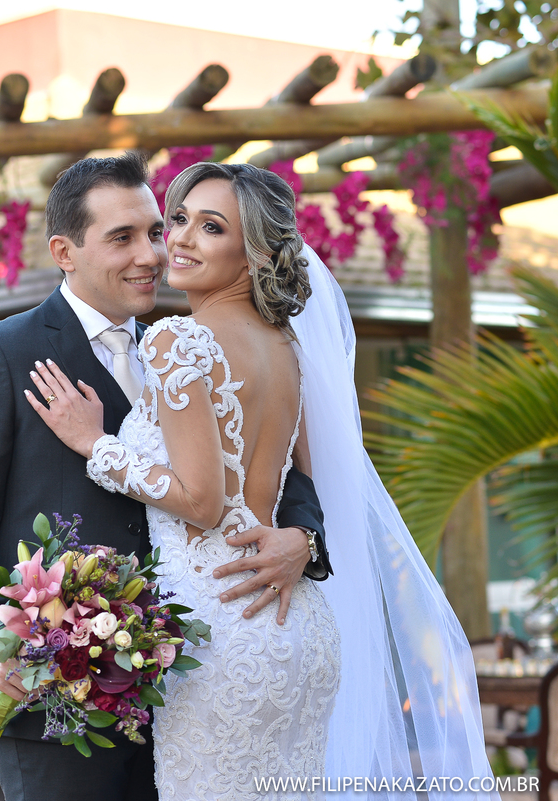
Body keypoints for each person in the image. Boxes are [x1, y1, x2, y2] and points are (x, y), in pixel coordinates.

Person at [28, 161, 495, 799]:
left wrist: (96, 444)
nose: (179, 239)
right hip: (299, 625)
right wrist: (303, 536)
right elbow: (300, 479)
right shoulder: (289, 349)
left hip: (222, 627)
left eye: (211, 227)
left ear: (253, 256)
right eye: (179, 219)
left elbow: (201, 500)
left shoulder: (176, 340)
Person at [0, 152, 331, 801]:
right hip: (58, 694)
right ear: (65, 251)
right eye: (122, 238)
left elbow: (283, 471)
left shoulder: (185, 343)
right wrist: (1, 647)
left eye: (154, 231)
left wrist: (303, 539)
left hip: (191, 681)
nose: (152, 254)